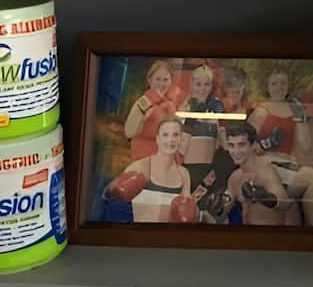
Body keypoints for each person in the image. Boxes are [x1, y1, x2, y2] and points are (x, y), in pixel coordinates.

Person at [248, 67, 313, 227]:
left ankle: (312, 228)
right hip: (265, 166)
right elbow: (245, 144)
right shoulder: (261, 111)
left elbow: (305, 147)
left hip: (288, 165)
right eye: (274, 83)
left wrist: (300, 119)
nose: (279, 87)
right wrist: (265, 144)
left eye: (283, 83)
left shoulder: (294, 109)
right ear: (267, 86)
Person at [104, 116, 194, 224]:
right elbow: (108, 197)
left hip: (169, 238)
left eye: (175, 135)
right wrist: (115, 190)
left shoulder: (183, 174)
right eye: (165, 135)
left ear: (180, 139)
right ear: (157, 138)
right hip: (140, 237)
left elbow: (186, 218)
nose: (171, 140)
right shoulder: (141, 167)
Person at [180, 63, 233, 223]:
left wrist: (221, 123)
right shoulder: (184, 107)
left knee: (214, 217)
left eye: (206, 84)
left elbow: (225, 146)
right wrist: (189, 119)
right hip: (189, 172)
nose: (202, 88)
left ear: (211, 85)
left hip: (211, 172)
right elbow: (180, 149)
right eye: (198, 84)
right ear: (192, 85)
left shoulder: (216, 107)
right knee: (189, 217)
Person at [222, 119, 293, 227]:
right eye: (231, 145)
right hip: (248, 238)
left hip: (273, 238)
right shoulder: (235, 178)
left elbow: (285, 203)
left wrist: (264, 197)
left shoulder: (265, 170)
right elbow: (222, 211)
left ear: (253, 145)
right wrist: (217, 205)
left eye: (241, 145)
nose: (236, 151)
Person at [123, 60, 185, 161]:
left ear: (171, 81)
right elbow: (128, 132)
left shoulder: (170, 105)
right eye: (158, 79)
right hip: (144, 158)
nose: (161, 83)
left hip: (164, 159)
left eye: (165, 79)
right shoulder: (143, 102)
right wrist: (142, 119)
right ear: (150, 80)